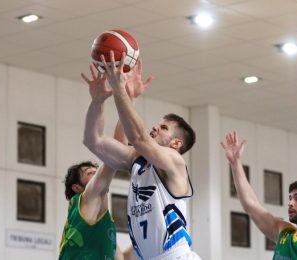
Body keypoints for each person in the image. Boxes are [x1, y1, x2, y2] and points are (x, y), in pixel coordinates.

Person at [83, 51, 200, 260]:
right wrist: (98, 101)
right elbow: (94, 141)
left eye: (163, 128)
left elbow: (138, 137)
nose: (155, 127)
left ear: (176, 143)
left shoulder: (175, 162)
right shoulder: (137, 160)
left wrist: (119, 88)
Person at [59, 61, 149, 260]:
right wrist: (116, 100)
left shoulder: (102, 224)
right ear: (77, 187)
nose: (98, 172)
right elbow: (115, 148)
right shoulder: (87, 198)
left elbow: (123, 259)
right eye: (90, 173)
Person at [221, 131, 297, 260]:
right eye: (290, 198)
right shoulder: (284, 233)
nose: (290, 203)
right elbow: (251, 205)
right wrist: (235, 163)